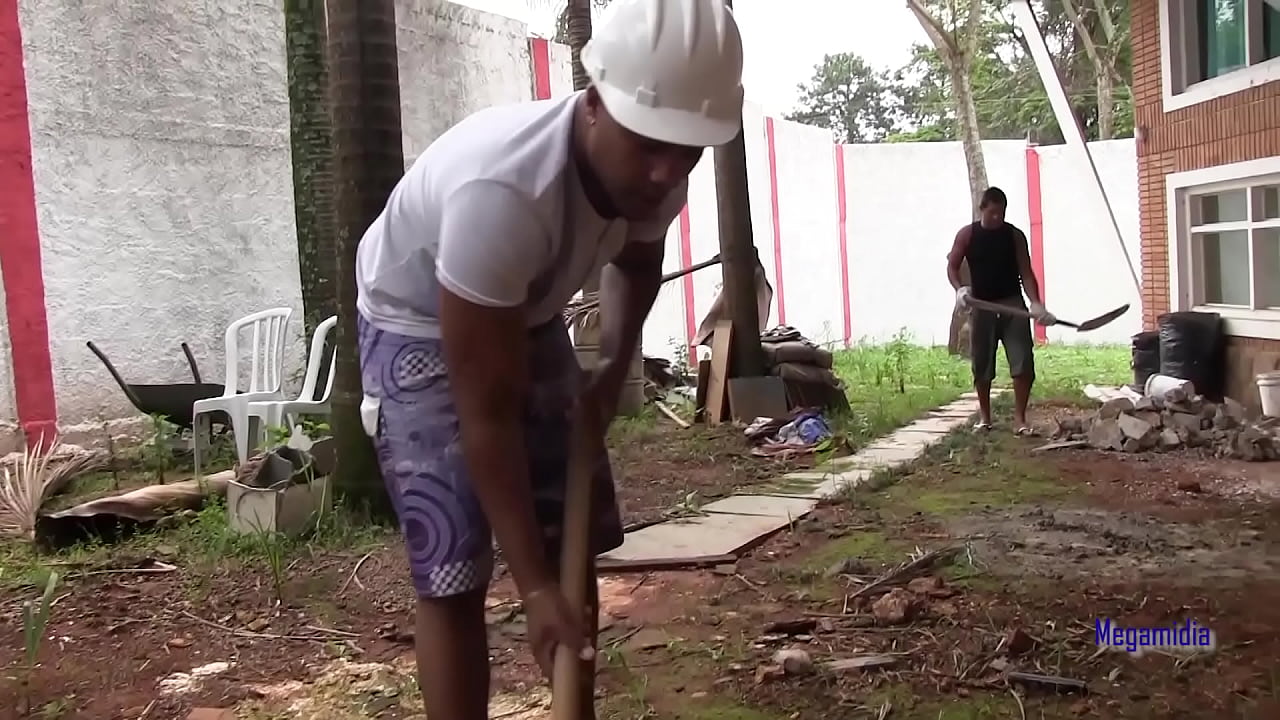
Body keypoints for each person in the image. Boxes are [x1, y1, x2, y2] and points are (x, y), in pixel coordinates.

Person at [352, 0, 744, 717]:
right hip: (416, 324)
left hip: (525, 309)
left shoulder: (659, 168)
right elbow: (486, 416)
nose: (665, 172)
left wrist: (608, 373)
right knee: (453, 566)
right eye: (651, 142)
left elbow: (636, 260)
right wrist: (531, 589)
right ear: (595, 104)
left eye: (686, 148)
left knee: (574, 525)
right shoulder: (500, 192)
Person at [947, 186, 1057, 435]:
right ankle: (985, 418)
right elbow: (952, 267)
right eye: (993, 212)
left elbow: (1026, 273)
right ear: (982, 209)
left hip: (1012, 307)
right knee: (982, 364)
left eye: (1002, 213)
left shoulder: (1014, 236)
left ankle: (1020, 419)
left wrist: (1036, 303)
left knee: (1023, 363)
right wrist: (960, 290)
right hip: (982, 306)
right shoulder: (967, 235)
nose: (997, 218)